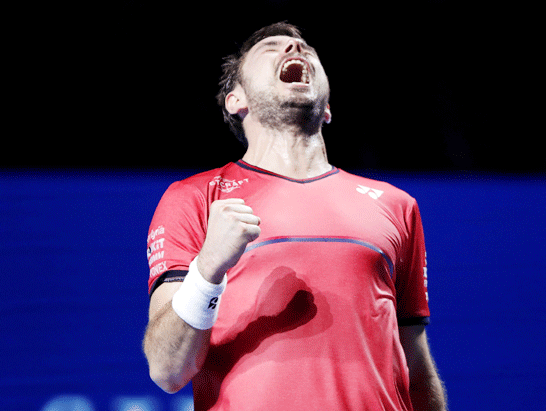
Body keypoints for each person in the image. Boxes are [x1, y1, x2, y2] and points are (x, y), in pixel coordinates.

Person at [142, 22, 448, 411]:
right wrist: (207, 268)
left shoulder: (395, 204)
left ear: (328, 108)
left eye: (305, 47)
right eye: (271, 47)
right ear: (236, 101)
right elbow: (168, 369)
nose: (294, 47)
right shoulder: (195, 197)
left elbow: (416, 371)